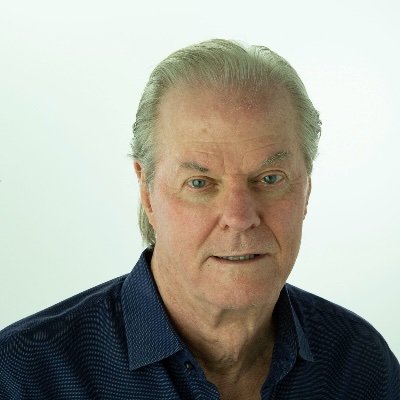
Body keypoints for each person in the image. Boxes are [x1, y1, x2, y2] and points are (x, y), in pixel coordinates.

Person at [0, 39, 399, 400]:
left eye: (269, 178)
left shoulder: (361, 364)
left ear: (306, 188)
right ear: (147, 192)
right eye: (200, 183)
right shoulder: (24, 377)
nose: (239, 218)